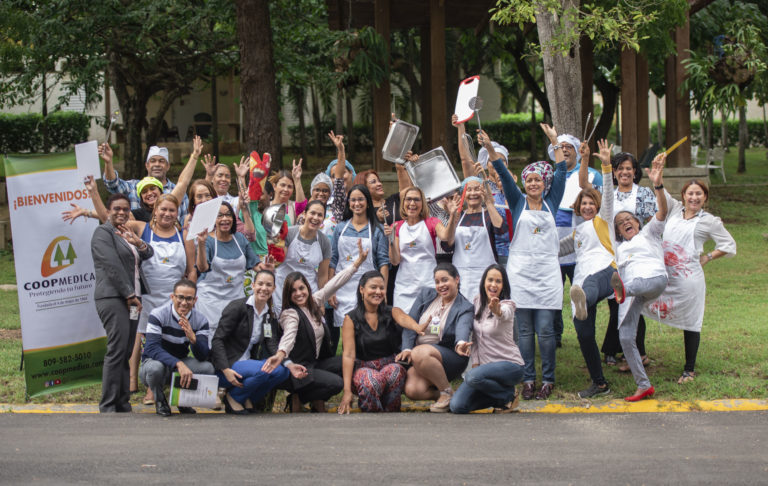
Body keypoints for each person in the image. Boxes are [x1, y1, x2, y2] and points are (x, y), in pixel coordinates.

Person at [490, 123, 567, 401]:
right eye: (529, 180)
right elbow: (502, 173)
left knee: (545, 330)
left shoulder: (552, 202)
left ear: (545, 184)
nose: (533, 184)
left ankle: (548, 379)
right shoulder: (517, 202)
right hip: (521, 275)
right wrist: (488, 148)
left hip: (547, 275)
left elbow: (561, 171)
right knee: (523, 331)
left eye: (538, 180)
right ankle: (528, 379)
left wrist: (554, 141)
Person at [643, 179, 736, 384]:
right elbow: (662, 196)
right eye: (690, 193)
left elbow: (729, 244)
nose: (694, 197)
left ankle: (689, 370)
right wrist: (657, 182)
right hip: (664, 275)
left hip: (689, 280)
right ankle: (639, 355)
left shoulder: (709, 221)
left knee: (691, 321)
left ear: (705, 198)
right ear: (684, 196)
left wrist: (708, 257)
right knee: (639, 305)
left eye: (699, 194)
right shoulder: (674, 209)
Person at [263, 240, 370, 413]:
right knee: (336, 384)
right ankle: (300, 396)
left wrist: (357, 263)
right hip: (299, 368)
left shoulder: (313, 301)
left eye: (301, 288)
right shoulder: (290, 314)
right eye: (293, 291)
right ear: (288, 295)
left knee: (349, 362)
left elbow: (335, 283)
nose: (299, 293)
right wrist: (281, 354)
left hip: (315, 363)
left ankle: (310, 397)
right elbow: (289, 335)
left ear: (308, 288)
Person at [558, 139, 615, 399]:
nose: (588, 207)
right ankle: (599, 384)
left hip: (606, 272)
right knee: (584, 333)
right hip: (581, 283)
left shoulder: (605, 220)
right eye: (583, 204)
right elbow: (555, 250)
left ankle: (583, 299)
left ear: (597, 206)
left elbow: (609, 196)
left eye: (591, 203)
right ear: (578, 209)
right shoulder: (577, 232)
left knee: (588, 286)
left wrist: (606, 166)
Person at [611, 153, 669, 402]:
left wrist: (658, 184)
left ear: (638, 221)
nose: (625, 222)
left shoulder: (649, 233)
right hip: (632, 292)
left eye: (629, 219)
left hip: (653, 280)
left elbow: (662, 211)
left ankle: (620, 289)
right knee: (625, 336)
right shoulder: (618, 248)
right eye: (620, 222)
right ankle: (644, 385)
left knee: (625, 287)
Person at [91, 194, 154, 412]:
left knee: (127, 349)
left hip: (134, 300)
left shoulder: (126, 234)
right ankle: (108, 404)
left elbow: (148, 253)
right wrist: (129, 295)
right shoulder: (103, 233)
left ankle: (122, 401)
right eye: (117, 208)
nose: (121, 212)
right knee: (117, 349)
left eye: (126, 209)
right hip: (115, 298)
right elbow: (112, 266)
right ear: (108, 211)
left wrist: (138, 242)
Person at [127, 193, 191, 405]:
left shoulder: (183, 235)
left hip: (176, 300)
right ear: (155, 211)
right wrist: (89, 208)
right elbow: (113, 220)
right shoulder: (142, 228)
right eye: (163, 209)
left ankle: (172, 382)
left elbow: (191, 270)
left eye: (172, 210)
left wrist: (190, 298)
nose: (167, 213)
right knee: (150, 343)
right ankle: (151, 388)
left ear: (177, 213)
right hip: (148, 298)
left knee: (172, 342)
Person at [212, 269, 304, 414]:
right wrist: (225, 369)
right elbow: (217, 340)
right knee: (264, 370)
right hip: (229, 365)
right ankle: (234, 398)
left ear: (274, 288)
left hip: (249, 363)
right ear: (253, 285)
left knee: (282, 372)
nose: (264, 288)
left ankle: (245, 397)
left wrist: (289, 364)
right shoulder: (237, 307)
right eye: (260, 284)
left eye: (268, 285)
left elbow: (271, 344)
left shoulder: (268, 315)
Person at [337, 270, 428, 414]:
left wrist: (416, 327)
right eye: (373, 287)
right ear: (362, 289)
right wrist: (347, 391)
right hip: (363, 370)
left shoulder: (390, 312)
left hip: (389, 365)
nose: (378, 292)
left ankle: (391, 413)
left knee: (395, 371)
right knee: (373, 380)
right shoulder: (351, 319)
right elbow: (348, 355)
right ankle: (373, 414)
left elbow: (402, 318)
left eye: (381, 288)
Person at [602, 151, 657, 367]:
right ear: (614, 173)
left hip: (636, 254)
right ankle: (613, 348)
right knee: (614, 302)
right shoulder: (608, 193)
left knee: (633, 302)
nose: (624, 172)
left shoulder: (643, 193)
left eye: (628, 168)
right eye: (620, 169)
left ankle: (636, 351)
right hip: (613, 253)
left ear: (635, 172)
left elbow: (653, 223)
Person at [549, 134, 603, 347]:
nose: (564, 150)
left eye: (568, 146)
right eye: (560, 147)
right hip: (556, 246)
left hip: (581, 246)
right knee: (554, 293)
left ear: (576, 151)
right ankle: (555, 336)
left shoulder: (592, 174)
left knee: (584, 293)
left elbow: (598, 203)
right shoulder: (550, 175)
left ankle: (586, 334)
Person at [398, 262, 474, 412]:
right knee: (413, 390)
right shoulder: (426, 295)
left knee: (419, 352)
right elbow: (410, 324)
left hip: (450, 356)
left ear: (456, 279)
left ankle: (446, 391)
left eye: (445, 280)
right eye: (437, 282)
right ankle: (451, 397)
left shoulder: (465, 307)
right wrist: (407, 348)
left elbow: (463, 327)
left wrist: (461, 343)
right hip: (420, 357)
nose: (441, 285)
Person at [450, 264, 524, 414]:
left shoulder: (508, 305)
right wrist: (476, 363)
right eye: (490, 280)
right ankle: (501, 400)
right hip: (484, 370)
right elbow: (476, 339)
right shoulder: (477, 302)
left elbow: (503, 313)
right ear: (484, 282)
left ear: (503, 286)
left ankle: (508, 395)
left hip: (510, 366)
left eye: (498, 281)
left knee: (472, 377)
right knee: (457, 406)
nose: (493, 285)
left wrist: (496, 309)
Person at [140, 279, 215, 416]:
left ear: (195, 300)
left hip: (179, 363)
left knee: (207, 368)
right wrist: (178, 363)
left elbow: (203, 355)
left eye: (189, 298)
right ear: (172, 297)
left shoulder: (201, 320)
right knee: (155, 368)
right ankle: (160, 400)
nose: (184, 302)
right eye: (180, 297)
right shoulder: (158, 314)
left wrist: (194, 339)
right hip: (155, 363)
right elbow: (151, 349)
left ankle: (182, 401)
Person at [195, 201, 261, 343]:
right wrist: (201, 243)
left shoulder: (240, 238)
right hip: (210, 302)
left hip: (235, 300)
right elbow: (202, 268)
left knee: (235, 342)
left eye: (228, 215)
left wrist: (267, 267)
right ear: (213, 219)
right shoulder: (208, 241)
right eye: (219, 216)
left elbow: (255, 264)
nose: (224, 219)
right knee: (212, 343)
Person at [329, 185, 389, 337]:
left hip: (368, 289)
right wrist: (331, 290)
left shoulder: (378, 230)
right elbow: (333, 260)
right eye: (353, 200)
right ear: (348, 203)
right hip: (342, 288)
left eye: (361, 199)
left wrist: (382, 290)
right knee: (346, 333)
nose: (357, 203)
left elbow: (383, 263)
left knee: (367, 333)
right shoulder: (340, 228)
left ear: (368, 202)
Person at [453, 114, 513, 266]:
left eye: (502, 160)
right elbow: (465, 160)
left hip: (515, 249)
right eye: (492, 161)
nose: (497, 164)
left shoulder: (512, 187)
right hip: (490, 249)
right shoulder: (478, 184)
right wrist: (461, 127)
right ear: (486, 164)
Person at [100, 136, 204, 223]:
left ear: (168, 166)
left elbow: (185, 222)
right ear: (147, 165)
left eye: (161, 161)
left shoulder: (176, 191)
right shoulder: (133, 186)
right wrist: (108, 162)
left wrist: (195, 156)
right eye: (153, 161)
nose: (157, 164)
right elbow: (112, 184)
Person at [442, 165, 507, 303]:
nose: (473, 193)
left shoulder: (488, 215)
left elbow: (501, 229)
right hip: (460, 275)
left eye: (477, 189)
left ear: (483, 192)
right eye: (469, 190)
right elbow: (447, 245)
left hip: (486, 276)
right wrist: (452, 217)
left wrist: (488, 202)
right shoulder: (458, 216)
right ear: (463, 195)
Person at [390, 186, 459, 313]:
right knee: (403, 321)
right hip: (404, 286)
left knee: (428, 320)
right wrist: (391, 240)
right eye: (408, 199)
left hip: (428, 283)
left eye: (416, 200)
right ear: (403, 203)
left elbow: (445, 236)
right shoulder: (397, 226)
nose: (412, 203)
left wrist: (452, 215)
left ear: (423, 204)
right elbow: (395, 261)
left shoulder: (432, 222)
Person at [272, 200, 331, 314]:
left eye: (320, 215)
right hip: (283, 290)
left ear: (323, 219)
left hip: (308, 293)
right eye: (312, 213)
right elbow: (278, 261)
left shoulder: (324, 242)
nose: (315, 218)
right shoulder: (289, 233)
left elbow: (322, 276)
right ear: (304, 214)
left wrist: (321, 303)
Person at [268, 159, 306, 226]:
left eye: (289, 187)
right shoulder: (266, 205)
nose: (286, 189)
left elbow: (302, 207)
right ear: (274, 186)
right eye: (282, 185)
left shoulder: (293, 207)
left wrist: (297, 180)